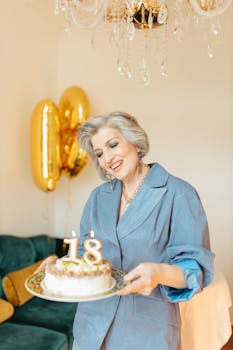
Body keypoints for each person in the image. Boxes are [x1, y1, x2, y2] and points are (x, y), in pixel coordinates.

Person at [72, 111, 214, 350]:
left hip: (144, 334)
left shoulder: (178, 194)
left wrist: (159, 273)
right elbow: (85, 255)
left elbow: (196, 270)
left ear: (135, 142)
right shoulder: (98, 198)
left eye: (113, 144)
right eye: (99, 153)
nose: (107, 158)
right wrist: (62, 265)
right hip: (90, 328)